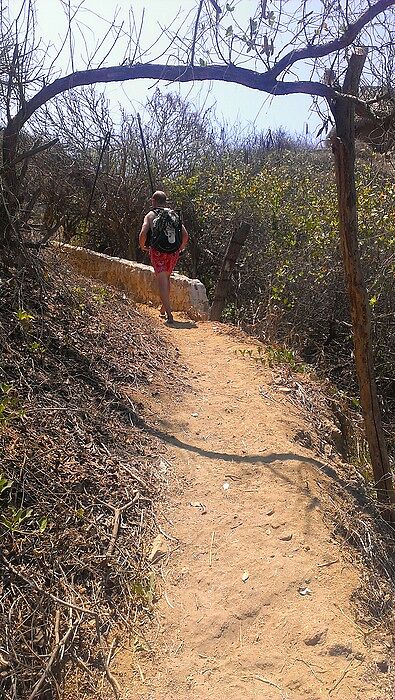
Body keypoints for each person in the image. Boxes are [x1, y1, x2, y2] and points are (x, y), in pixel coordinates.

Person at [139, 190, 189, 325]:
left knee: (162, 280)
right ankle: (163, 307)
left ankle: (169, 314)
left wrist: (143, 246)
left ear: (153, 201)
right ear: (165, 201)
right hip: (173, 252)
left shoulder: (150, 215)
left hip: (158, 252)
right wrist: (180, 248)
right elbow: (185, 236)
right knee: (166, 278)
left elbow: (143, 232)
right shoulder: (172, 214)